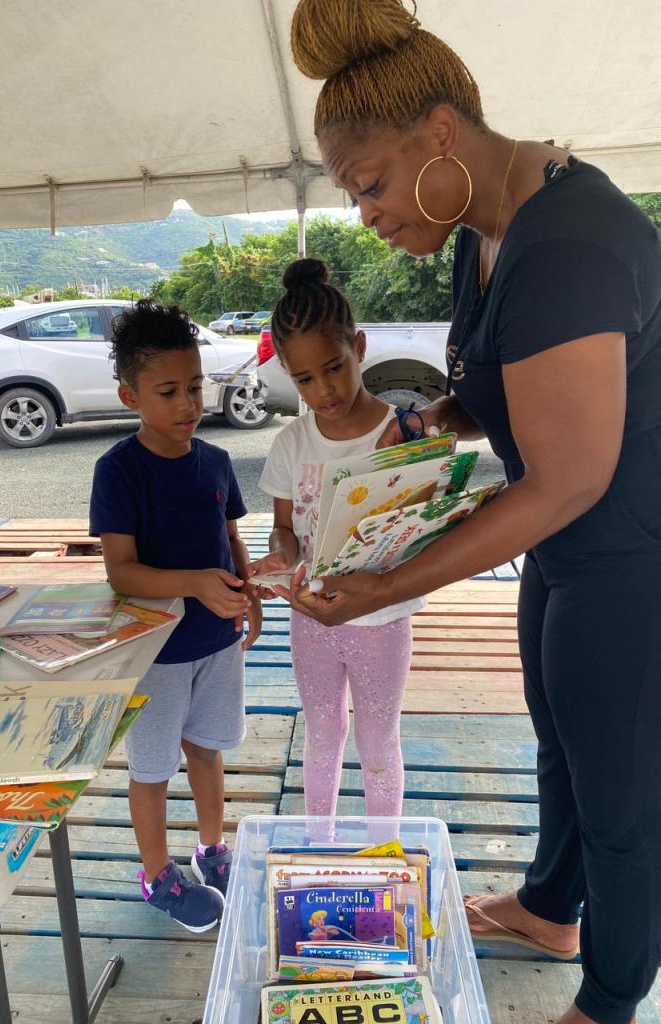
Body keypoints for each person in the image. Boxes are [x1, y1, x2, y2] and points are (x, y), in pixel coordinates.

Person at [279, 2, 661, 1022]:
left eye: (368, 184)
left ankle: (613, 995)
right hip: (564, 549)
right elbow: (505, 389)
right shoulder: (482, 232)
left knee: (622, 794)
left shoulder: (568, 243)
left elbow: (569, 475)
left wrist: (391, 585)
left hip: (629, 551)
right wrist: (438, 420)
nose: (365, 213)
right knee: (561, 738)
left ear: (439, 135)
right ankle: (549, 907)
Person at [89, 299, 261, 933]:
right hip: (155, 650)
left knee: (209, 749)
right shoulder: (118, 471)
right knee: (154, 767)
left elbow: (230, 536)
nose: (188, 403)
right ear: (129, 396)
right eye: (168, 392)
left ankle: (212, 848)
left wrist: (249, 592)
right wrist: (192, 585)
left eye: (195, 386)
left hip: (217, 639)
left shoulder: (215, 461)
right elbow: (121, 572)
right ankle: (156, 872)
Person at [251, 258, 423, 832]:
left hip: (383, 617)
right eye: (304, 379)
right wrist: (282, 556)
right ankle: (317, 841)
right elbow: (285, 527)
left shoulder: (400, 434)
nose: (323, 390)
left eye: (334, 368)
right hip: (311, 616)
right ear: (287, 374)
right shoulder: (290, 443)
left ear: (360, 348)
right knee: (322, 732)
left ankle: (384, 848)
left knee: (379, 741)